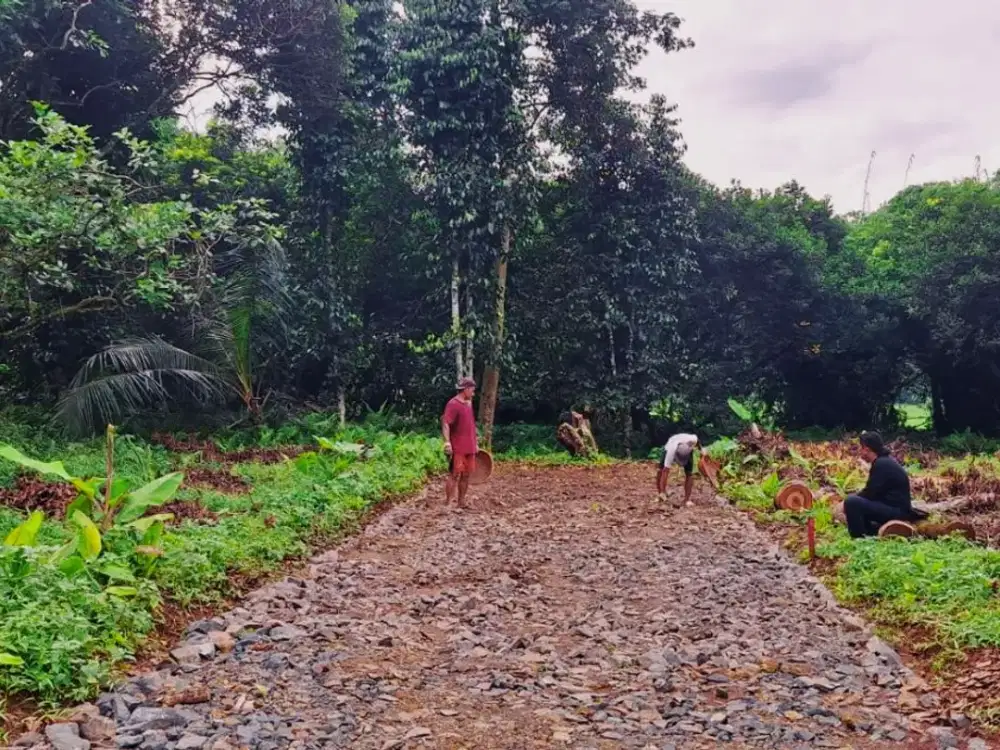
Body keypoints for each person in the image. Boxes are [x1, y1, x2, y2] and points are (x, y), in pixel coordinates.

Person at [844, 431, 917, 538]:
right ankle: (870, 531)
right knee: (856, 501)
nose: (860, 451)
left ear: (867, 449)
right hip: (894, 507)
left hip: (898, 512)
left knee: (851, 502)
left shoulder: (881, 464)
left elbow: (870, 493)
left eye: (861, 448)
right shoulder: (884, 461)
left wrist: (849, 500)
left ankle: (859, 537)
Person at [442, 377, 478, 507]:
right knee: (454, 474)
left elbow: (471, 425)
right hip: (458, 447)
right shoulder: (453, 404)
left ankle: (461, 502)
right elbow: (446, 423)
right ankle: (447, 502)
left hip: (470, 446)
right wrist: (447, 442)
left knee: (466, 475)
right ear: (466, 389)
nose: (473, 393)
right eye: (472, 390)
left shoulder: (468, 404)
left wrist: (476, 442)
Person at [657, 433, 699, 506]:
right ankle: (661, 493)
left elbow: (698, 441)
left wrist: (702, 451)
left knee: (689, 473)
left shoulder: (693, 440)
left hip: (687, 447)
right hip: (670, 444)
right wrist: (663, 492)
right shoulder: (670, 451)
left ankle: (687, 499)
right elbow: (665, 471)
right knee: (660, 470)